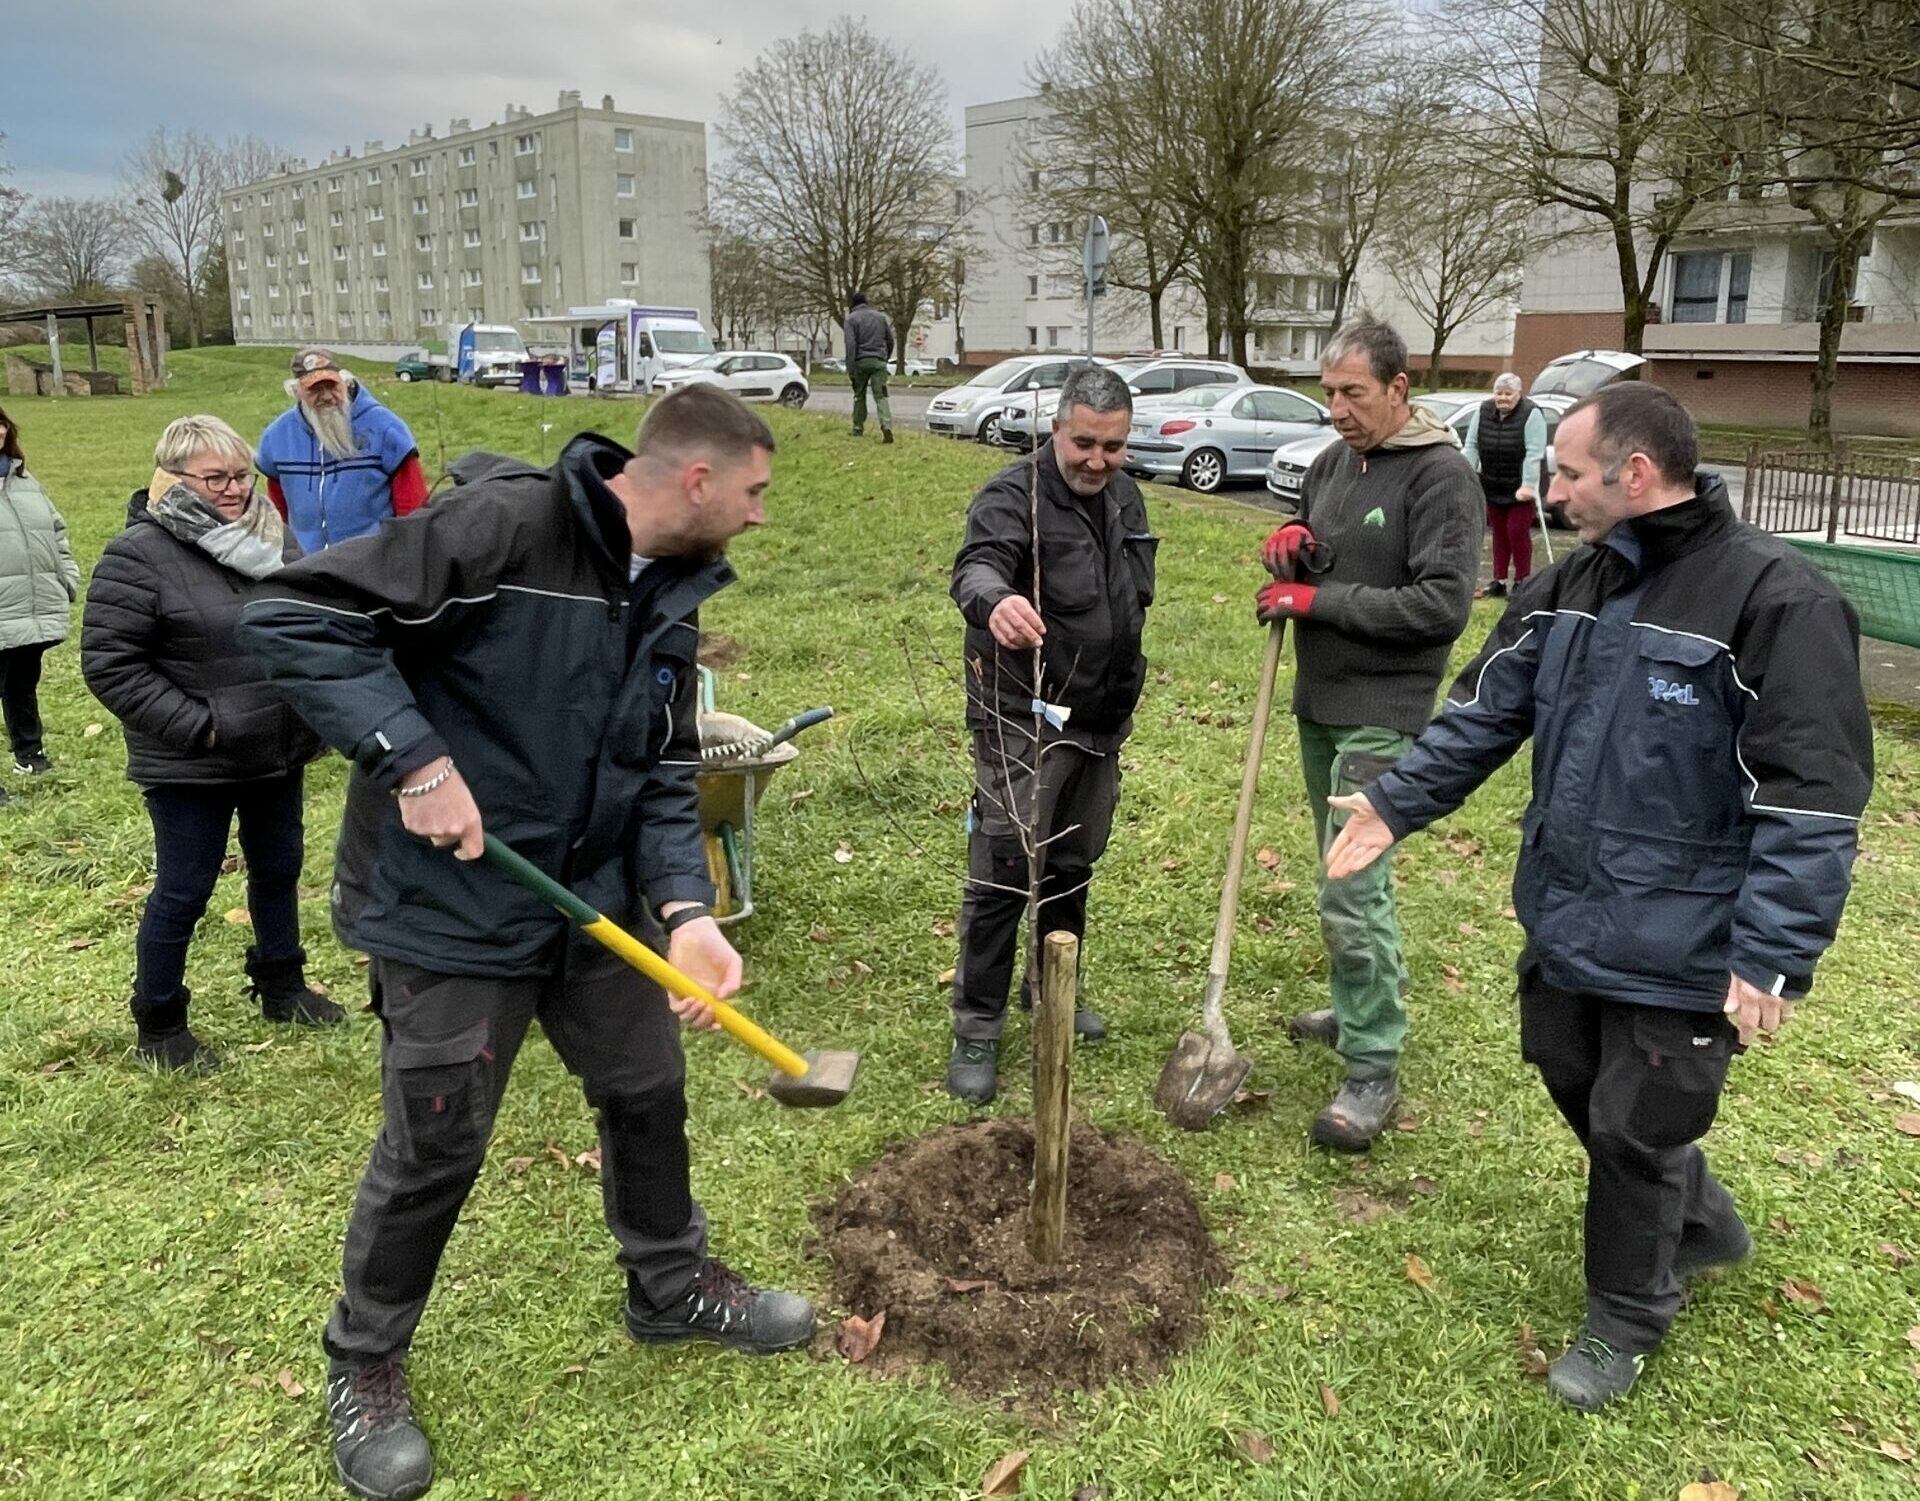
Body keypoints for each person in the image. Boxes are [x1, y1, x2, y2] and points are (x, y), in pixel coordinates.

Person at [236, 385, 812, 1501]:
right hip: (451, 902)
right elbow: (292, 616)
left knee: (647, 1090)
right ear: (696, 477)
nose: (758, 517)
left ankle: (669, 1283)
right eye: (754, 492)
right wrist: (414, 756)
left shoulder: (673, 593)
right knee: (438, 1139)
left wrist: (688, 915)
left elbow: (657, 769)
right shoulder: (501, 530)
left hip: (587, 896)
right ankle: (365, 1361)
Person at [1324, 382, 1873, 1412]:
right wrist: (1398, 802)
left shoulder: (1774, 601)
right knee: (1566, 1062)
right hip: (1573, 906)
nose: (1551, 484)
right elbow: (1486, 711)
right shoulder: (1570, 587)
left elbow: (1812, 794)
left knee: (1636, 1123)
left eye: (1569, 470)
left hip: (1688, 929)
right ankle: (1699, 1220)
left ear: (1633, 474)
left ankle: (1627, 1313)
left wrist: (1773, 950)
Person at [1254, 317, 1481, 1151]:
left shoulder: (1441, 477)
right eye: (1329, 393)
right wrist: (1294, 555)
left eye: (1354, 393)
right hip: (1321, 700)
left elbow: (1440, 606)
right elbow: (1327, 560)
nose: (1338, 408)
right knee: (1340, 871)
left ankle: (1373, 1060)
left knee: (1351, 887)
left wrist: (1318, 602)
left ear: (1398, 390)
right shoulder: (1328, 466)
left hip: (1384, 712)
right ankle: (1358, 1003)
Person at [80, 415, 340, 1072]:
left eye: (240, 475)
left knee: (279, 868)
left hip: (274, 745)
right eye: (213, 477)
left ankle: (282, 983)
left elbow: (306, 621)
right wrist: (202, 726)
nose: (231, 489)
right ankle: (160, 1021)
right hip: (192, 760)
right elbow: (110, 663)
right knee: (185, 889)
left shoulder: (271, 536)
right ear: (174, 478)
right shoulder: (137, 553)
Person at [945, 362, 1156, 1104]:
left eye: (1113, 446)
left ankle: (1052, 990)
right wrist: (996, 601)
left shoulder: (1125, 496)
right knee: (1005, 864)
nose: (1097, 461)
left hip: (1100, 719)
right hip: (1021, 712)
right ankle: (977, 1023)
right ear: (1057, 428)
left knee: (1072, 862)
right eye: (1084, 444)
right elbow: (975, 568)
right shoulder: (1013, 494)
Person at [256, 349, 429, 552]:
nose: (327, 396)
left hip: (373, 562)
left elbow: (413, 505)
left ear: (345, 382)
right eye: (315, 390)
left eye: (332, 386)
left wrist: (409, 553)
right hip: (306, 566)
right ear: (297, 392)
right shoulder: (277, 437)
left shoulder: (385, 427)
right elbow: (278, 505)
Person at [0, 403, 80, 799]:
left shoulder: (24, 479)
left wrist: (66, 577)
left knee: (21, 683)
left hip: (28, 606)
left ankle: (29, 753)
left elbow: (56, 530)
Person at [1462, 372, 1548, 597]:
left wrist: (1529, 485)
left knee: (1516, 532)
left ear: (1519, 394)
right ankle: (1498, 581)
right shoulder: (1483, 411)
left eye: (1508, 394)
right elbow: (1471, 445)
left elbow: (1534, 452)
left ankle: (1522, 581)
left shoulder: (1531, 413)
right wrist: (1466, 475)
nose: (1503, 398)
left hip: (1520, 487)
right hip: (1492, 482)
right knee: (1499, 533)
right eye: (1499, 393)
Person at [844, 290, 894, 444]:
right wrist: (885, 358)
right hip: (879, 361)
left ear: (853, 304)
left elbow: (851, 345)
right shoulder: (880, 317)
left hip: (861, 361)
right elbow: (890, 340)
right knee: (881, 396)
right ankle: (886, 425)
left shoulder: (851, 320)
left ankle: (858, 428)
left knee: (859, 395)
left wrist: (851, 369)